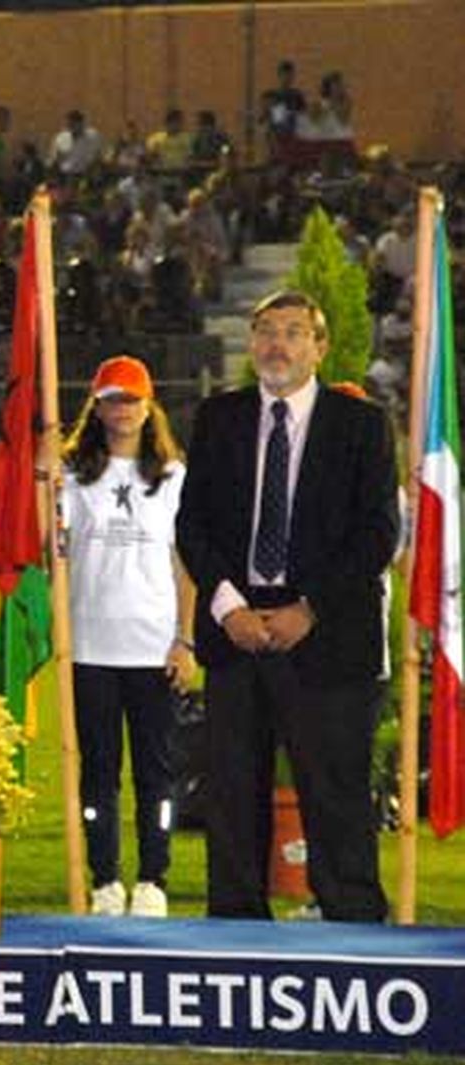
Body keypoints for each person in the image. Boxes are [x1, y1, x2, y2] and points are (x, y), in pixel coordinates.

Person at [176, 291, 398, 922]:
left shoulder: (361, 426)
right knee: (232, 798)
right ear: (251, 344)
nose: (278, 344)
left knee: (336, 798)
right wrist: (227, 608)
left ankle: (353, 935)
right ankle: (235, 938)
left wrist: (310, 608)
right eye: (267, 331)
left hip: (326, 637)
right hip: (235, 632)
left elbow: (377, 535)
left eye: (295, 332)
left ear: (319, 347)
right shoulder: (220, 418)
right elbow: (194, 524)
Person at [62, 356, 196, 918]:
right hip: (91, 646)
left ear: (149, 406)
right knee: (97, 772)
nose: (123, 410)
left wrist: (185, 640)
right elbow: (56, 550)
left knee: (155, 772)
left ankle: (153, 878)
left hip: (152, 645)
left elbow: (184, 562)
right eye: (113, 399)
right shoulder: (72, 474)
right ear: (96, 406)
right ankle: (105, 877)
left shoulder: (172, 477)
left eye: (132, 399)